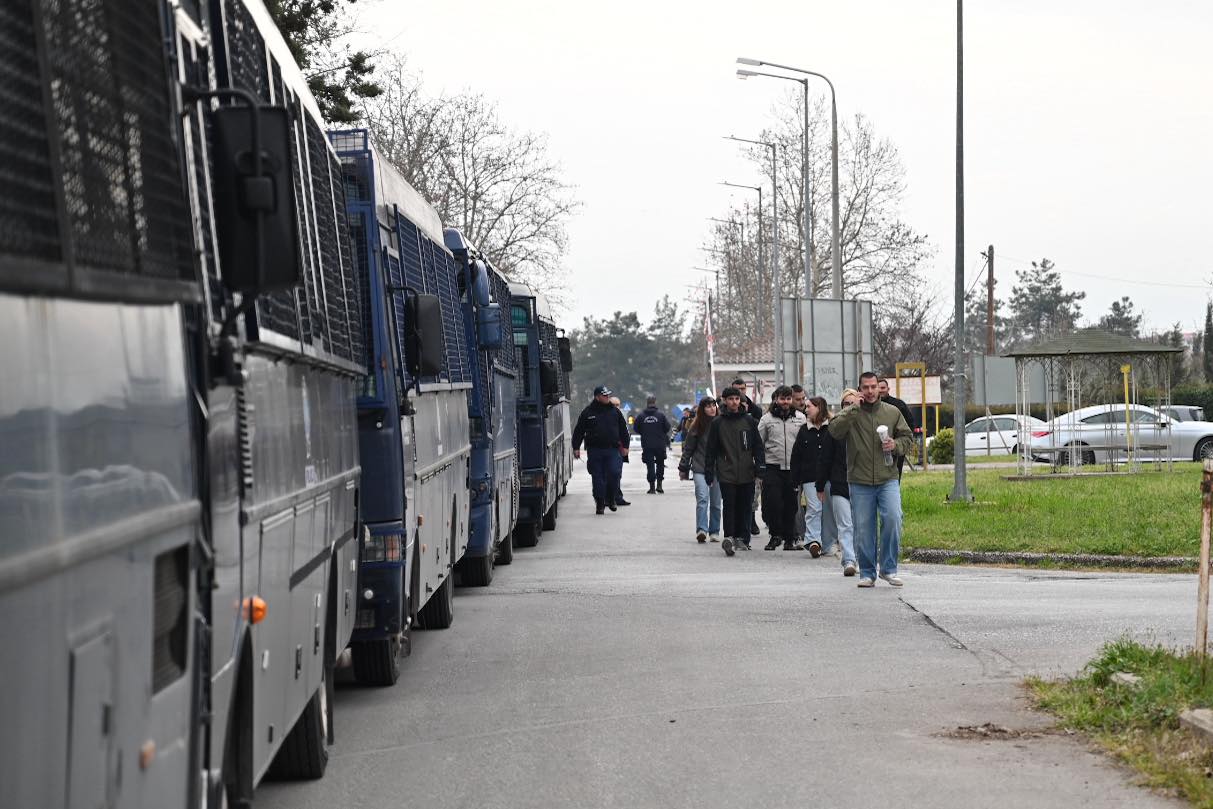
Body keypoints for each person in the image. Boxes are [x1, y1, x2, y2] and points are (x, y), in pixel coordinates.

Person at [828, 372, 914, 587]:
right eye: (865, 387)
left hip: (888, 478)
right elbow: (835, 431)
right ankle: (867, 573)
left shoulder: (892, 412)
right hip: (860, 480)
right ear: (859, 389)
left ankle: (889, 569)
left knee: (893, 519)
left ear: (879, 388)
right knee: (864, 528)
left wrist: (896, 445)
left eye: (873, 386)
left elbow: (908, 438)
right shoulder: (851, 412)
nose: (870, 391)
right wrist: (853, 408)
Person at [704, 386, 764, 557]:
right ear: (724, 401)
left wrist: (760, 467)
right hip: (726, 471)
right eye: (730, 399)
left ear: (740, 401)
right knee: (729, 505)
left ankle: (743, 538)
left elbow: (758, 447)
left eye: (736, 399)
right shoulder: (718, 423)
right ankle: (729, 537)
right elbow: (711, 450)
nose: (734, 402)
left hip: (747, 471)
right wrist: (709, 472)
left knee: (745, 506)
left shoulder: (749, 421)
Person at [757, 385, 807, 551]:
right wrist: (759, 466)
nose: (785, 402)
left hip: (793, 469)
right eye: (782, 399)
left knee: (791, 505)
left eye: (788, 398)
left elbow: (804, 443)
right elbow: (759, 443)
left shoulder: (800, 418)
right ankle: (775, 535)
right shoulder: (767, 419)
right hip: (773, 467)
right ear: (776, 400)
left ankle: (789, 538)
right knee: (773, 503)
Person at [817, 389, 859, 576]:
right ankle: (848, 560)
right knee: (845, 524)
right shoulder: (834, 427)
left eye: (853, 404)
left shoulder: (865, 426)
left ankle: (862, 559)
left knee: (861, 525)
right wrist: (820, 485)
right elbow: (825, 458)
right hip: (839, 482)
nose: (849, 408)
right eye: (845, 404)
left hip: (863, 483)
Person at [572, 385, 630, 514]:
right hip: (595, 450)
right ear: (597, 397)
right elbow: (579, 431)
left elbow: (623, 430)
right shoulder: (588, 412)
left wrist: (625, 446)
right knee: (597, 478)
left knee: (614, 473)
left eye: (608, 395)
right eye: (604, 395)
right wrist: (576, 447)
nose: (607, 397)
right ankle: (600, 502)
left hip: (612, 450)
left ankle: (611, 498)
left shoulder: (615, 412)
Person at [678, 397, 722, 543]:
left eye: (713, 406)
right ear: (702, 410)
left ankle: (714, 531)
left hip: (718, 469)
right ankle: (702, 529)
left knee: (716, 502)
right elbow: (688, 449)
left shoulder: (722, 424)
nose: (712, 409)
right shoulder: (696, 427)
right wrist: (683, 468)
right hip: (699, 467)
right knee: (703, 498)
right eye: (708, 406)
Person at [790, 396, 829, 556]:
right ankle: (813, 541)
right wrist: (795, 479)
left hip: (830, 477)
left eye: (809, 407)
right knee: (814, 508)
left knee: (828, 511)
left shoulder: (831, 427)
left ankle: (829, 542)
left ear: (819, 407)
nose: (806, 410)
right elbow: (796, 456)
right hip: (809, 477)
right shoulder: (804, 430)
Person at [730, 378, 764, 537]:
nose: (739, 392)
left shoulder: (755, 411)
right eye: (736, 389)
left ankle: (750, 519)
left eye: (742, 389)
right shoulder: (725, 410)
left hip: (749, 458)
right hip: (730, 460)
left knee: (752, 494)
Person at [878, 377, 918, 479]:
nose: (881, 390)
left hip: (896, 446)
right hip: (878, 448)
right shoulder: (871, 407)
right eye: (879, 388)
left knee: (895, 474)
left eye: (883, 387)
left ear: (888, 388)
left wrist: (902, 441)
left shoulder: (899, 405)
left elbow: (910, 423)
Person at [634, 396, 672, 493]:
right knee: (660, 464)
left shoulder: (641, 416)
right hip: (660, 444)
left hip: (647, 444)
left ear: (647, 403)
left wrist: (644, 432)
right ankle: (659, 485)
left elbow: (636, 428)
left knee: (650, 465)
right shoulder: (661, 415)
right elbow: (667, 427)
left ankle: (652, 487)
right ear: (655, 402)